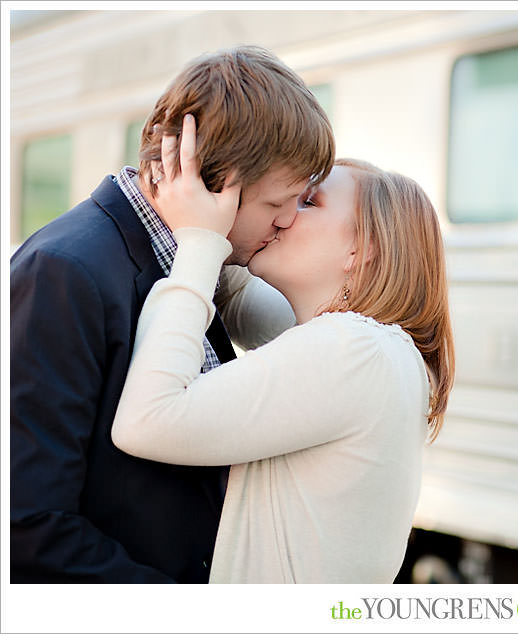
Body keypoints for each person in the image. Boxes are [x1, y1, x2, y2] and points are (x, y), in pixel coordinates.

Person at [10, 46, 334, 582]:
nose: (286, 222)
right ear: (210, 181)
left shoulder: (193, 257)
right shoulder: (65, 272)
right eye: (278, 204)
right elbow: (27, 523)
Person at [110, 115, 454, 583]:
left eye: (308, 201)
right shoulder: (376, 350)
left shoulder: (358, 350)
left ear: (363, 247)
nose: (285, 215)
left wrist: (199, 240)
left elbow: (145, 422)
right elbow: (230, 293)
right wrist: (226, 211)